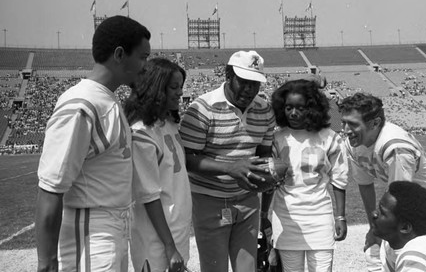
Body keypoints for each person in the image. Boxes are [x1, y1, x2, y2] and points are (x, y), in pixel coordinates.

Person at [35, 15, 151, 272]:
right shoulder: (81, 104)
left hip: (112, 229)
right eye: (143, 57)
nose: (146, 66)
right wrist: (47, 263)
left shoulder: (106, 100)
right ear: (120, 54)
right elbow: (51, 188)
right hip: (92, 232)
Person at [179, 50, 276, 272]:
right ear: (228, 75)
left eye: (255, 83)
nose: (249, 89)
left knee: (247, 268)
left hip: (248, 199)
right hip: (209, 200)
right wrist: (229, 168)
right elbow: (187, 159)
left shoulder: (264, 109)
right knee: (215, 268)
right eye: (244, 81)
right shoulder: (201, 109)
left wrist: (271, 174)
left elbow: (263, 155)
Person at [338, 93, 426, 272]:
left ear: (374, 123)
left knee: (419, 256)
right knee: (379, 255)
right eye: (344, 122)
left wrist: (379, 232)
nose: (345, 129)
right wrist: (373, 227)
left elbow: (401, 197)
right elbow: (365, 185)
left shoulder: (396, 147)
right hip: (394, 202)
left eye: (352, 124)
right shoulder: (353, 144)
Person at [270, 79, 348, 272]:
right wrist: (264, 216)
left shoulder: (330, 138)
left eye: (300, 108)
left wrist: (340, 217)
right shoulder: (276, 138)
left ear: (312, 108)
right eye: (288, 108)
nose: (293, 113)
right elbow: (268, 182)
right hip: (286, 216)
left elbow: (339, 179)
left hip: (319, 215)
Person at [124, 58, 191, 272]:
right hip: (157, 240)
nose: (180, 92)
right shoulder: (142, 132)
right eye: (173, 87)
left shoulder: (169, 123)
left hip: (176, 230)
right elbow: (149, 196)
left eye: (181, 86)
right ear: (156, 88)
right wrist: (170, 247)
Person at [372, 181, 426, 272]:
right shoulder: (393, 245)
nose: (374, 214)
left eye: (382, 212)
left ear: (405, 227)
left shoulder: (415, 259)